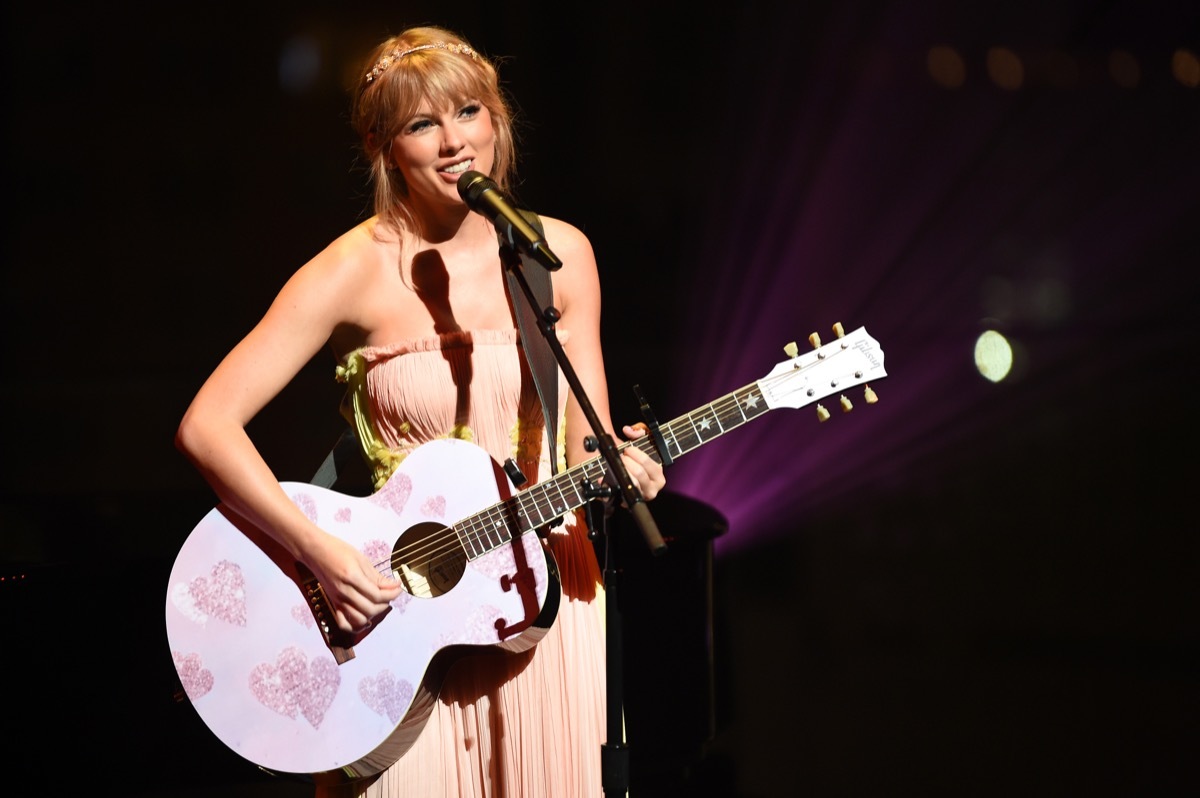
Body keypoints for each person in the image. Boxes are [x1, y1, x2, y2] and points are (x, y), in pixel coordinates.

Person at [174, 23, 665, 798]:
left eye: (469, 112)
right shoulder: (349, 270)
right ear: (383, 146)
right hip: (399, 621)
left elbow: (584, 448)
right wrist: (321, 554)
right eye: (421, 124)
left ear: (498, 120)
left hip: (542, 608)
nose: (454, 142)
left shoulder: (555, 255)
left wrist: (627, 467)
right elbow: (207, 426)